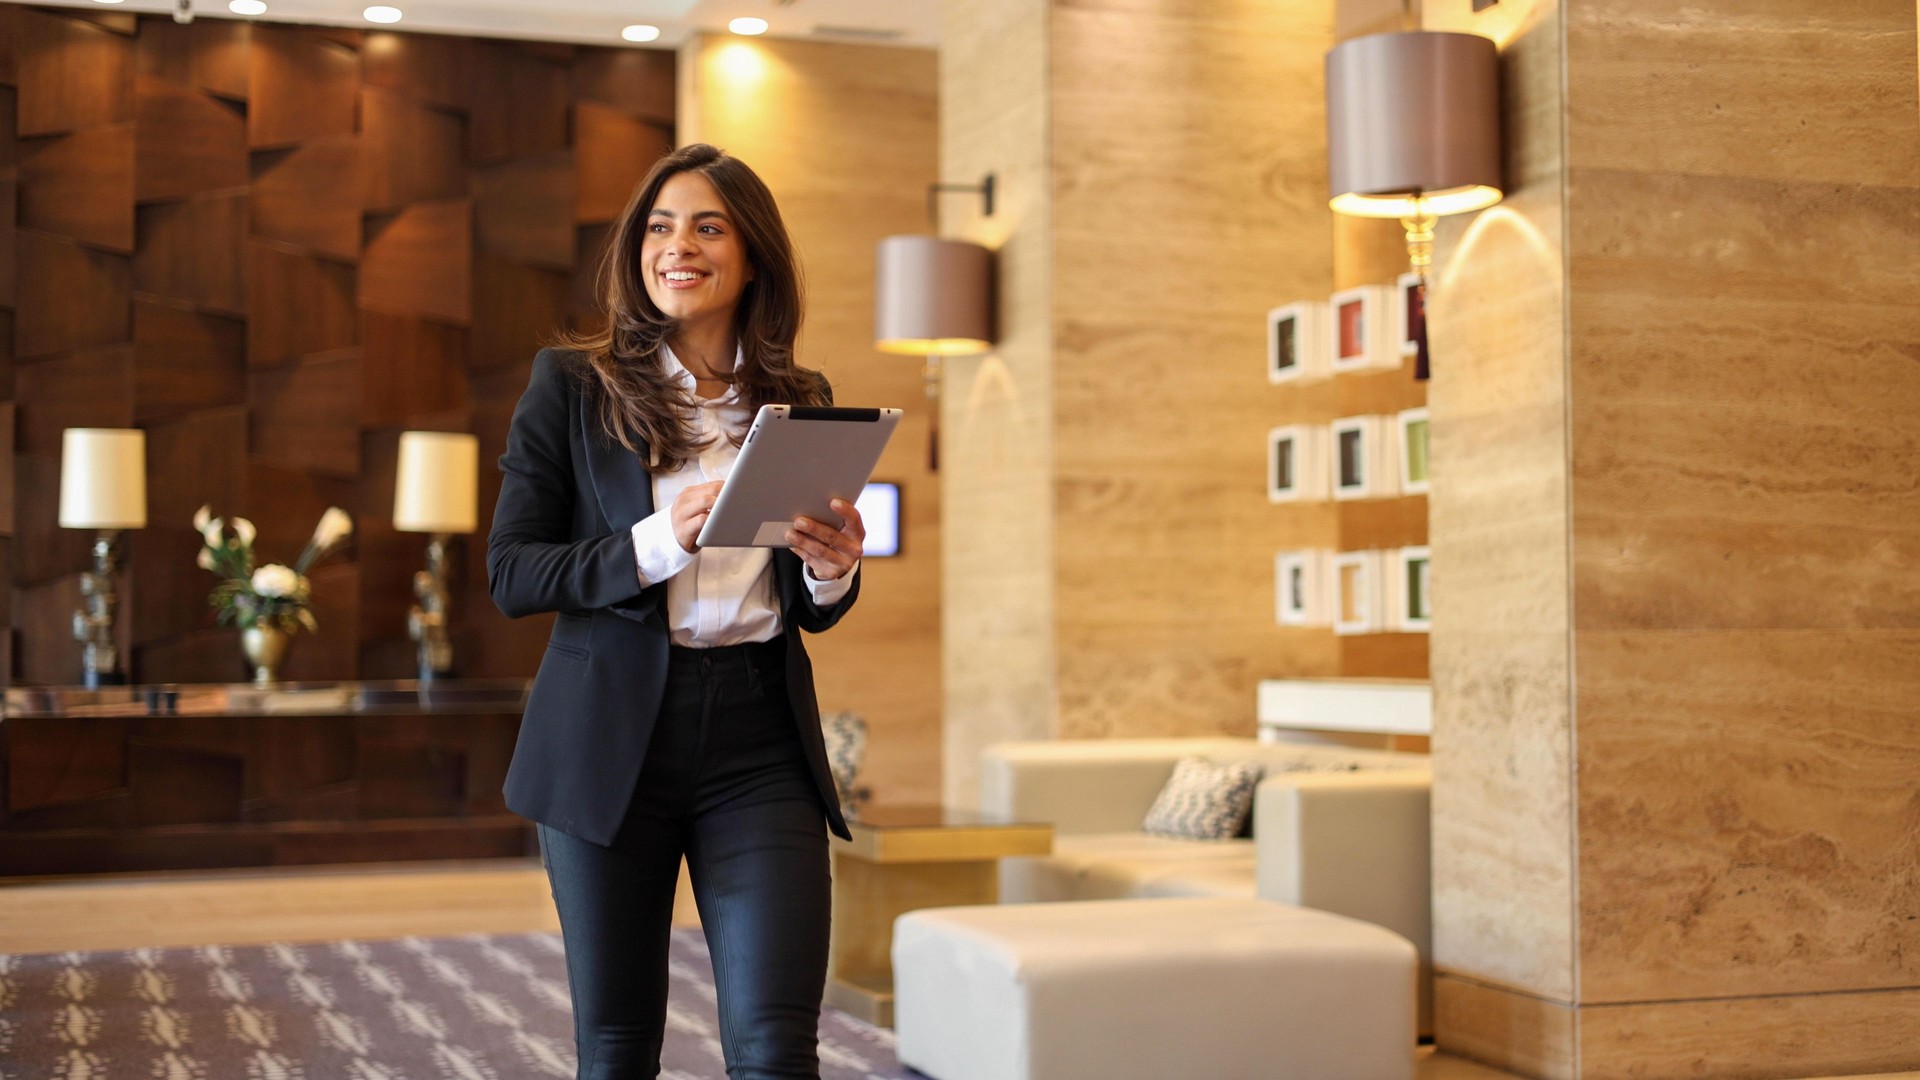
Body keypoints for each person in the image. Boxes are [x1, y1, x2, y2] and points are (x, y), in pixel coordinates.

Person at [487, 142, 865, 1080]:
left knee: (778, 1047)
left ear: (751, 256)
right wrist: (658, 542)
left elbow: (806, 606)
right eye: (659, 227)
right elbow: (514, 573)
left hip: (760, 742)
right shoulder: (571, 386)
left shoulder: (798, 400)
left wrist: (833, 571)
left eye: (706, 226)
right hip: (611, 737)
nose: (676, 246)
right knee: (617, 1049)